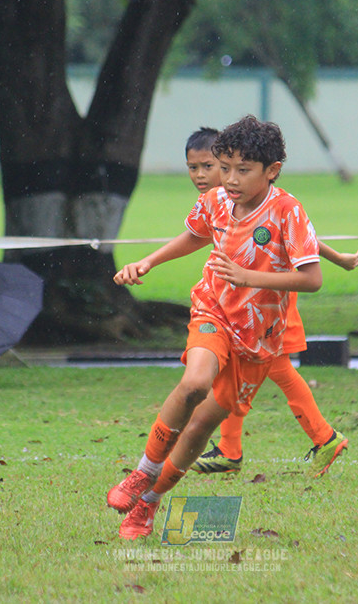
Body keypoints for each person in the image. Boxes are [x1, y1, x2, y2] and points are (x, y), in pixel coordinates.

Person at [107, 115, 324, 539]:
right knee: (194, 384)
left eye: (243, 170)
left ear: (271, 170)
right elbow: (194, 235)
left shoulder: (287, 211)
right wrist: (148, 261)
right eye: (224, 167)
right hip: (214, 311)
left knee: (200, 427)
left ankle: (148, 504)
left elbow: (311, 279)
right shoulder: (216, 200)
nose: (230, 179)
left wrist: (250, 278)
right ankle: (141, 473)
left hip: (258, 338)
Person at [183, 127, 358, 476]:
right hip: (239, 302)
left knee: (267, 368)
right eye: (194, 167)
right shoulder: (222, 202)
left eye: (208, 166)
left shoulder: (276, 203)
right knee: (248, 367)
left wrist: (334, 258)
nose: (203, 175)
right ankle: (233, 449)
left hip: (267, 305)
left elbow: (297, 236)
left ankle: (321, 438)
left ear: (267, 170)